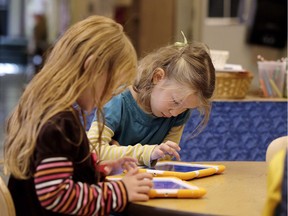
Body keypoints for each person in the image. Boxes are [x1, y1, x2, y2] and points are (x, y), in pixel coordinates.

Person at [3, 15, 153, 216]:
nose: (109, 96)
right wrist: (121, 191)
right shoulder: (60, 123)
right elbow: (56, 195)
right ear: (92, 68)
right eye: (111, 86)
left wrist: (98, 169)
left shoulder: (47, 110)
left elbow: (57, 171)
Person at [88, 35, 216, 167]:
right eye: (175, 101)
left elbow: (164, 158)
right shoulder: (117, 101)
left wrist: (119, 152)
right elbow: (92, 150)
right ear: (158, 77)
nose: (175, 113)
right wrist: (149, 152)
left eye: (187, 108)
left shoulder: (179, 112)